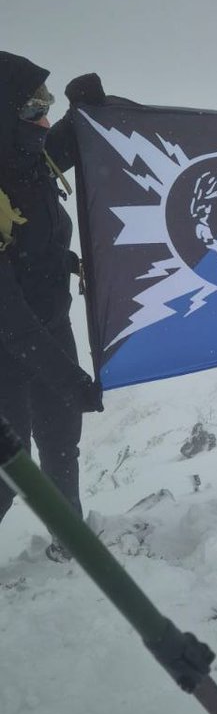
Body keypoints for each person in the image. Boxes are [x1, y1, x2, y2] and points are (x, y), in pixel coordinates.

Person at [0, 54, 105, 559]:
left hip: (50, 326)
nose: (44, 117)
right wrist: (68, 379)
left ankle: (72, 538)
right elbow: (9, 317)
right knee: (8, 463)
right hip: (7, 348)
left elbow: (57, 144)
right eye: (33, 107)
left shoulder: (27, 157)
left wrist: (80, 108)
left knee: (62, 442)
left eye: (48, 104)